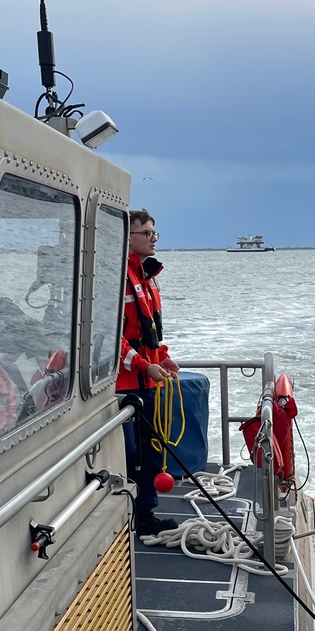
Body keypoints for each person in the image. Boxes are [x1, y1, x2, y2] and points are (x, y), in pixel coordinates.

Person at [116, 209, 180, 532]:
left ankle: (146, 512)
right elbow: (114, 341)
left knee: (153, 448)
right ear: (129, 238)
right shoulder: (118, 278)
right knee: (133, 454)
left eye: (155, 234)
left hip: (149, 382)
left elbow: (149, 333)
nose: (154, 239)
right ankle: (135, 516)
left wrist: (163, 358)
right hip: (128, 385)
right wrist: (144, 365)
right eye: (148, 234)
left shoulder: (146, 279)